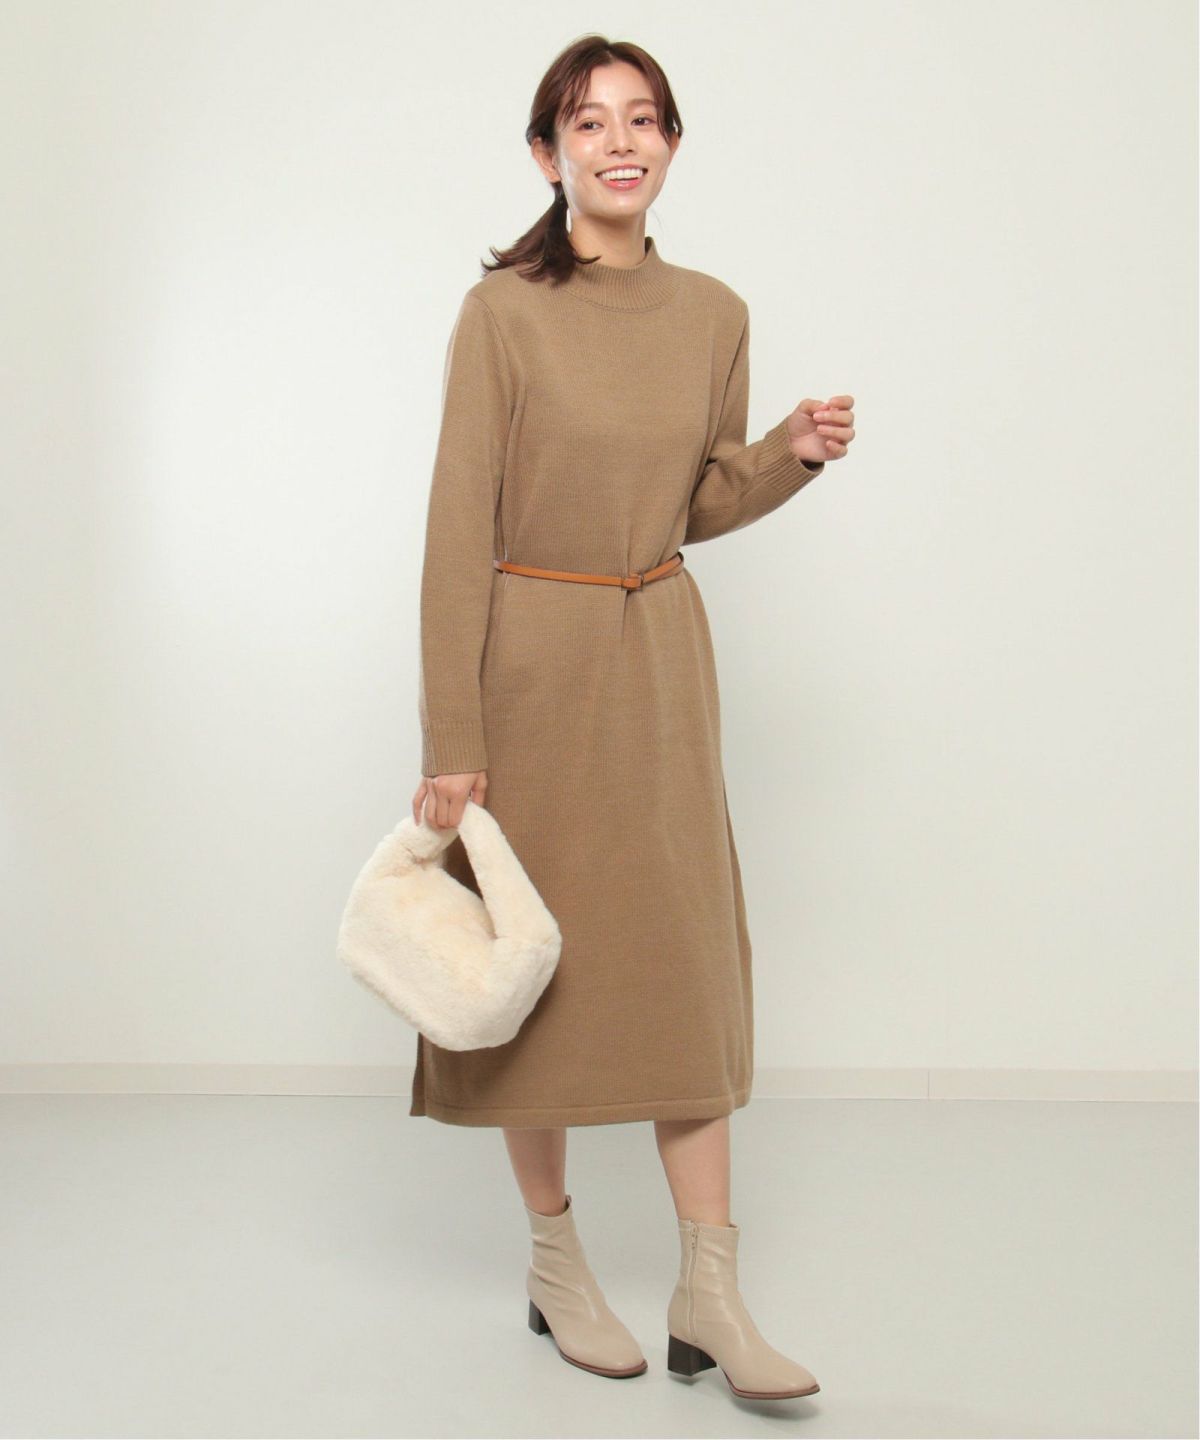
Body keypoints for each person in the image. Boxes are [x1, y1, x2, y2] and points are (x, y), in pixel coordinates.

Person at [408, 35, 855, 1403]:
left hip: (657, 658)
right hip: (529, 671)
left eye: (644, 118)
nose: (620, 141)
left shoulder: (714, 314)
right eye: (590, 121)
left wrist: (786, 456)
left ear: (670, 143)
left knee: (681, 968)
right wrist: (452, 738)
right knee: (530, 968)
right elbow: (457, 528)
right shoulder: (503, 315)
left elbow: (693, 506)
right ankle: (557, 1263)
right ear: (548, 154)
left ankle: (710, 1289)